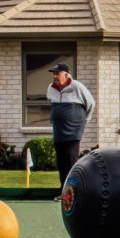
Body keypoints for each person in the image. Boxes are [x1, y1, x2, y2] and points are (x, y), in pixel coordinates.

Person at [46, 62, 96, 194]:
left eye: (57, 73)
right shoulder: (51, 88)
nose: (55, 76)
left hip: (73, 131)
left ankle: (75, 192)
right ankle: (63, 191)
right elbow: (53, 105)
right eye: (54, 74)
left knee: (71, 161)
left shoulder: (77, 86)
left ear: (66, 74)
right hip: (58, 131)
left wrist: (85, 120)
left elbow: (91, 103)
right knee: (61, 163)